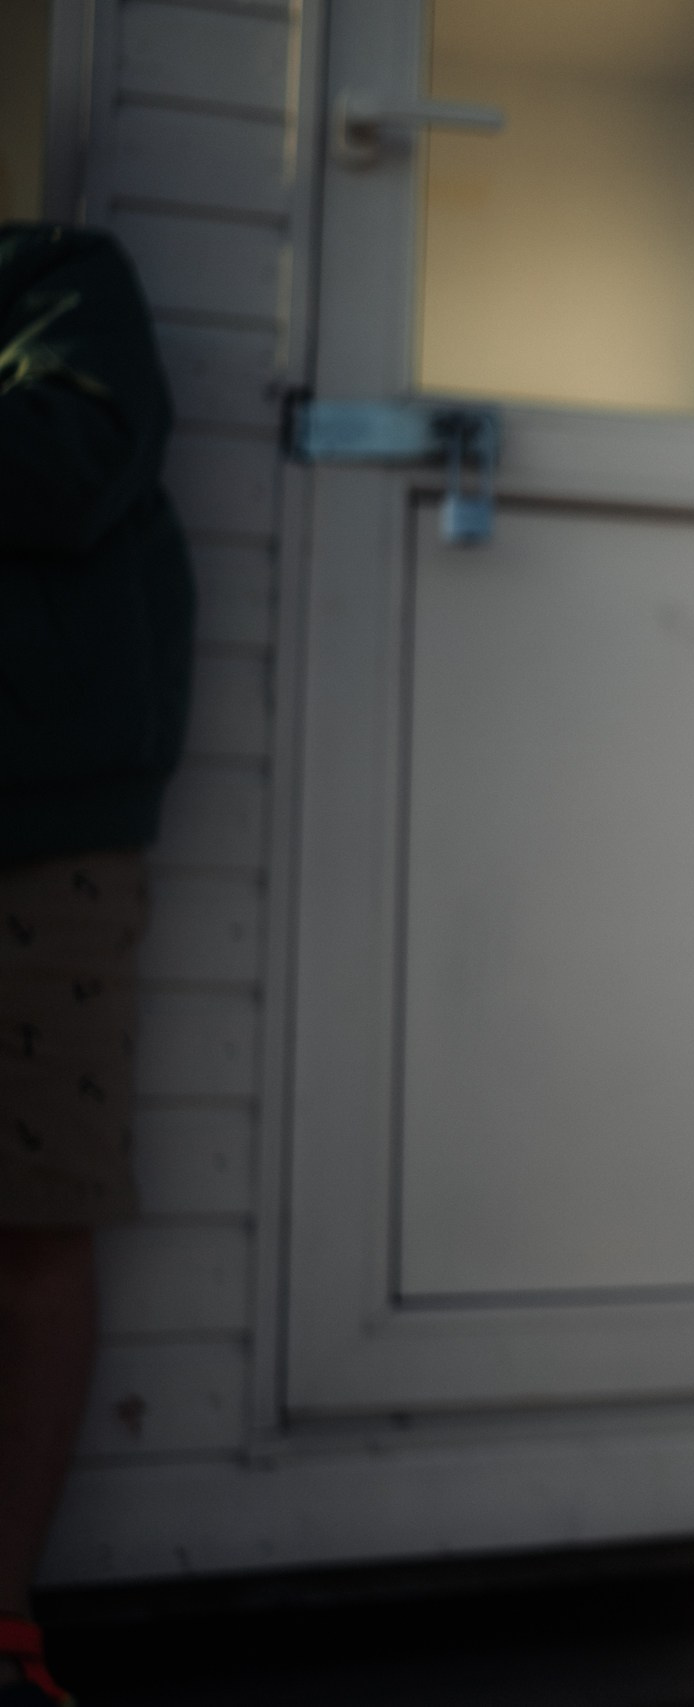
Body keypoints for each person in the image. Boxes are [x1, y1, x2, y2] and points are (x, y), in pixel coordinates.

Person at [0, 222, 194, 1707]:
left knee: (34, 1213)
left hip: (40, 828)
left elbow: (67, 465)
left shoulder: (58, 273)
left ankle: (1, 1619)